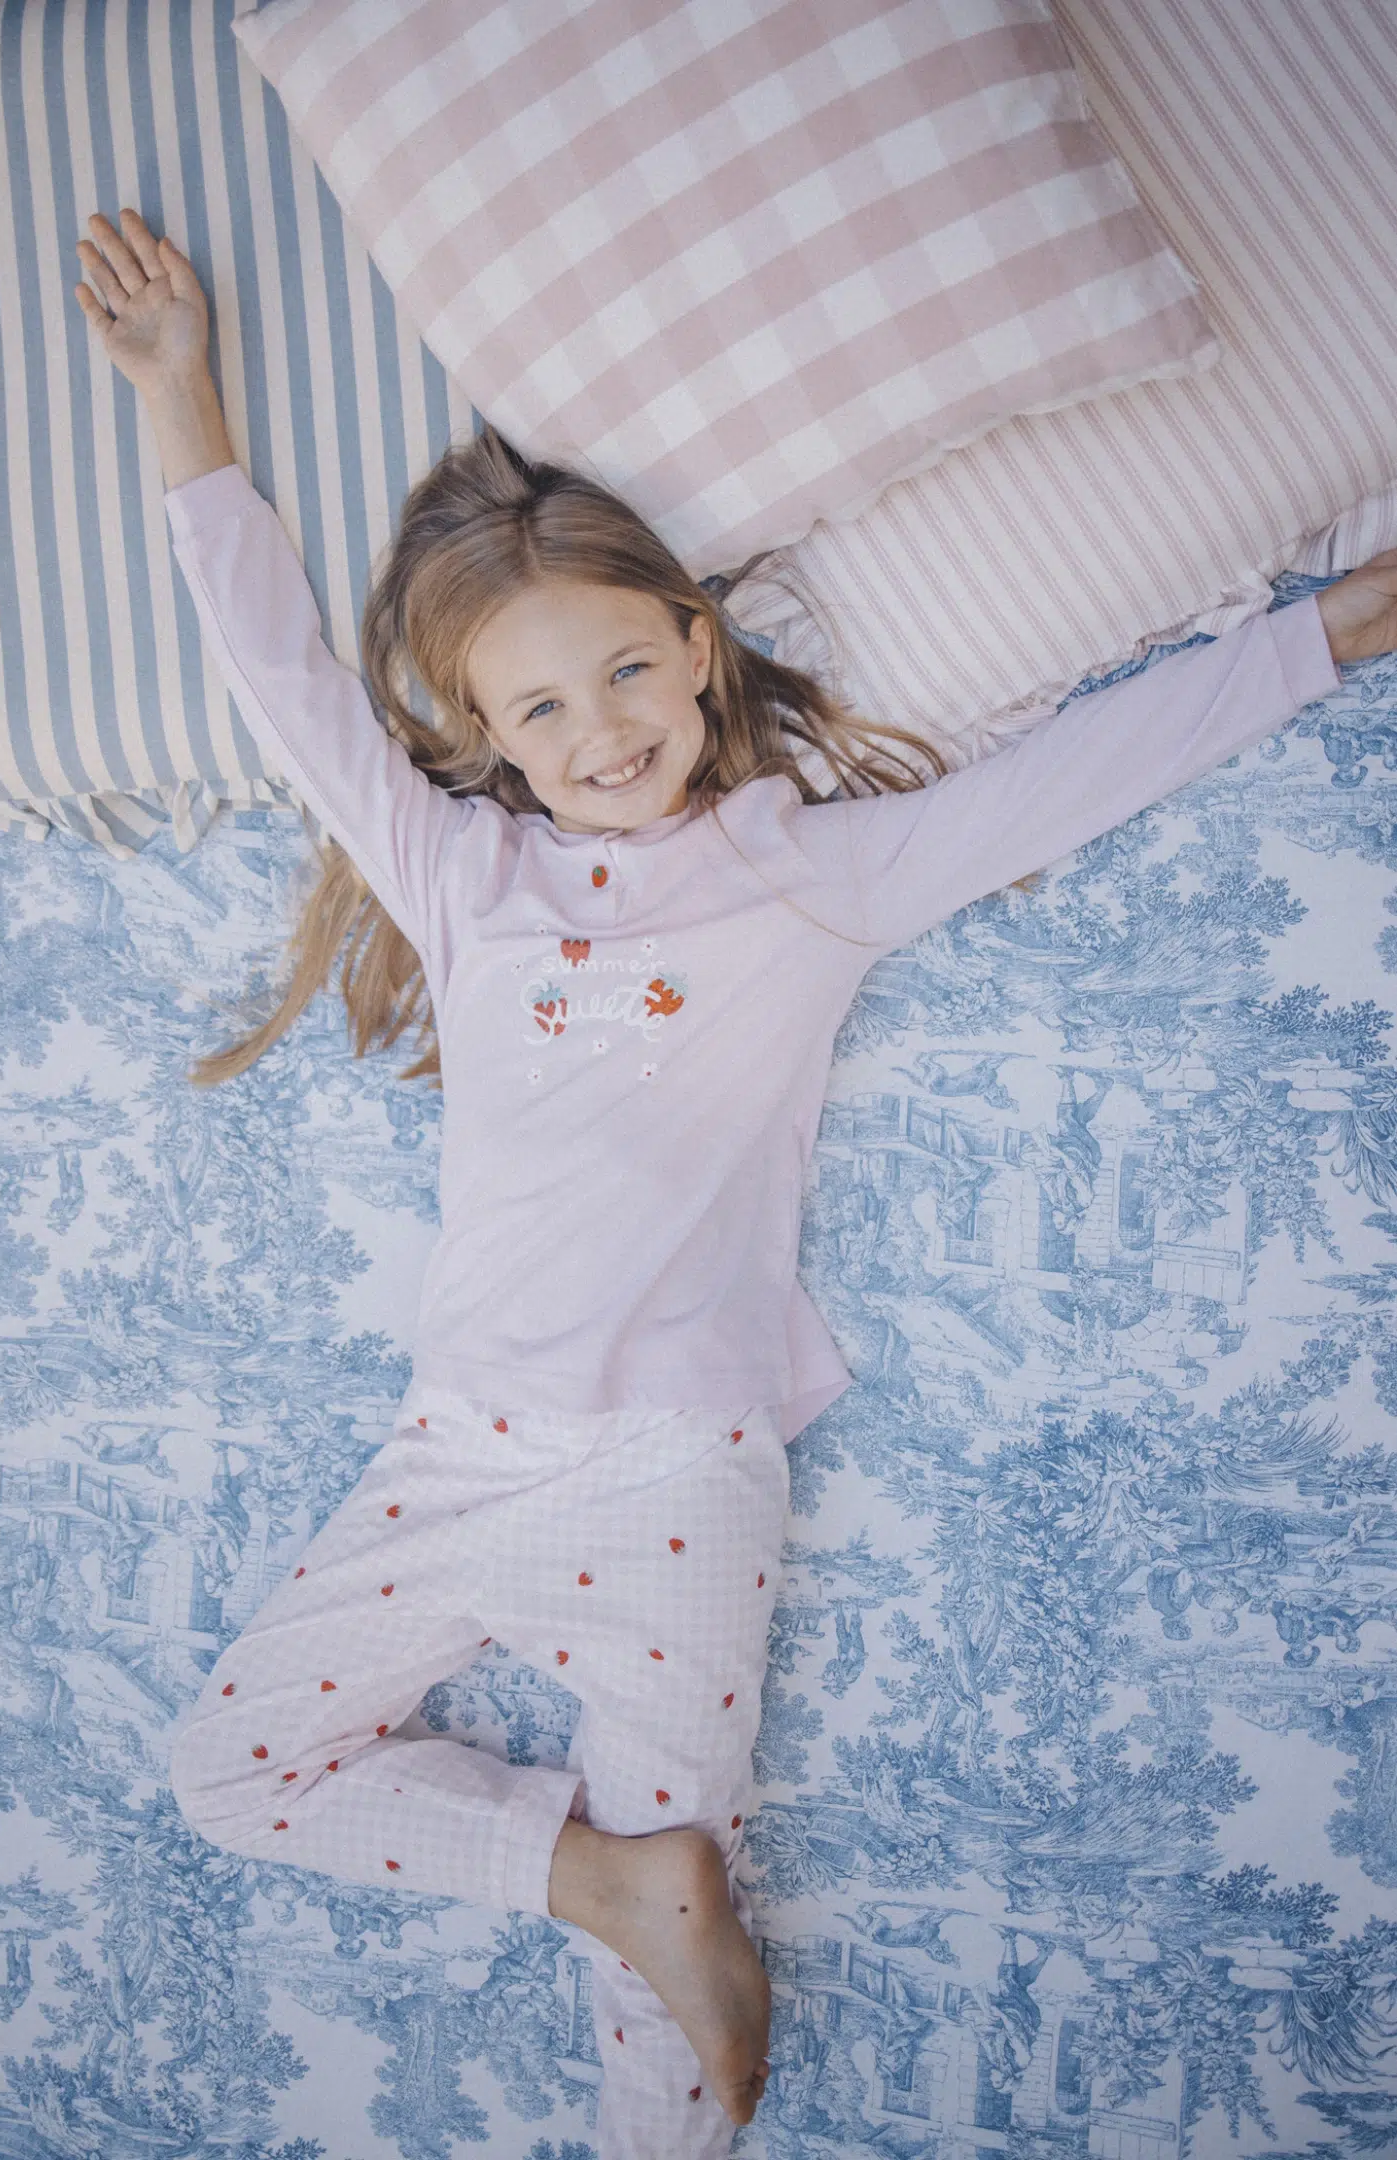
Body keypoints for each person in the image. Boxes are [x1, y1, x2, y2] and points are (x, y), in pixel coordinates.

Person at [73, 206, 1397, 2157]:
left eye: (627, 671)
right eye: (541, 710)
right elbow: (282, 679)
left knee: (670, 2017)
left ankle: (644, 1923)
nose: (600, 732)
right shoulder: (463, 879)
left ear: (698, 648)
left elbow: (1075, 775)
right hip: (455, 1455)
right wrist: (179, 397)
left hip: (681, 1473)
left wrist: (1334, 629)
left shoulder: (807, 876)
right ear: (482, 737)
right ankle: (603, 1882)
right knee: (230, 1770)